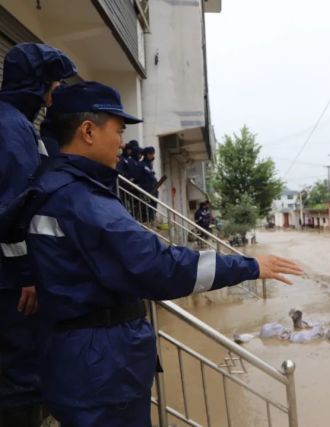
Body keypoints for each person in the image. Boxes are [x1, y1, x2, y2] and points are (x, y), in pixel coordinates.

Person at [2, 81, 303, 426]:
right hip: (101, 369)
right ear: (88, 131)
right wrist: (249, 266)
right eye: (117, 130)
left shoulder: (53, 186)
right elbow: (159, 266)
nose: (120, 142)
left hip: (76, 357)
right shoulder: (82, 199)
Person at [0, 43, 76, 426]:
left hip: (11, 276)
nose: (54, 93)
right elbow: (13, 211)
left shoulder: (17, 124)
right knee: (20, 379)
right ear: (37, 84)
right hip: (12, 283)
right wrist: (29, 273)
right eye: (53, 84)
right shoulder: (12, 128)